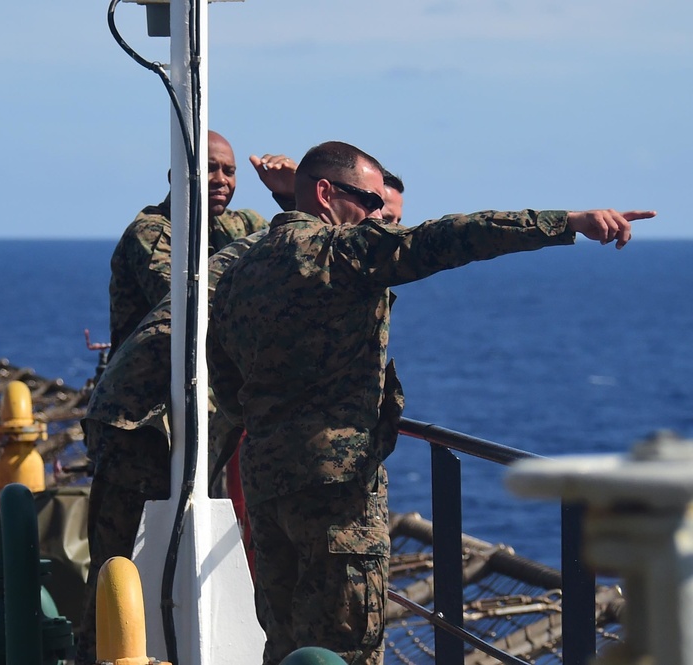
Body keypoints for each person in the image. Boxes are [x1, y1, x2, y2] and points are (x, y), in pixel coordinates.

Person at [206, 140, 655, 665]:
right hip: (337, 496)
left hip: (266, 484)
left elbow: (223, 376)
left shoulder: (240, 268)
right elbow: (454, 237)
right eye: (372, 205)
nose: (380, 219)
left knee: (286, 647)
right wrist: (568, 222)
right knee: (347, 651)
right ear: (326, 194)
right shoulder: (344, 251)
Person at [75, 229, 267, 665]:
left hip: (180, 420)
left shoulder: (249, 234)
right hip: (138, 420)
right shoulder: (160, 232)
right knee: (119, 565)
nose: (220, 180)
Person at [107, 130, 296, 355]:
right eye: (209, 168)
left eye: (229, 171)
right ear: (175, 176)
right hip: (157, 379)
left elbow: (300, 256)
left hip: (214, 377)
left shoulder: (242, 224)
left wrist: (293, 196)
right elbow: (186, 310)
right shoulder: (151, 232)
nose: (221, 180)